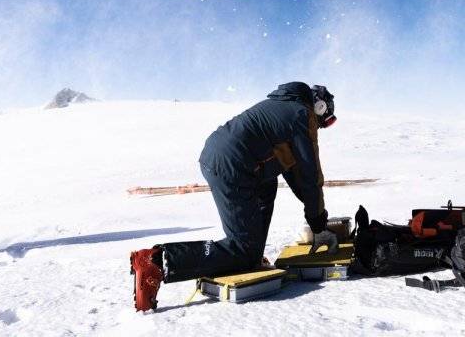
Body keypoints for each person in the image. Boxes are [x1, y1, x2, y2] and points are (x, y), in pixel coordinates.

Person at [130, 82, 337, 311]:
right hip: (234, 166)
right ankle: (157, 261)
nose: (318, 127)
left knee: (268, 188)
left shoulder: (283, 106)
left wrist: (315, 217)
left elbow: (296, 174)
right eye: (322, 121)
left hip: (223, 157)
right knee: (241, 249)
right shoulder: (302, 114)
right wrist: (318, 224)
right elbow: (310, 175)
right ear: (318, 106)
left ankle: (253, 257)